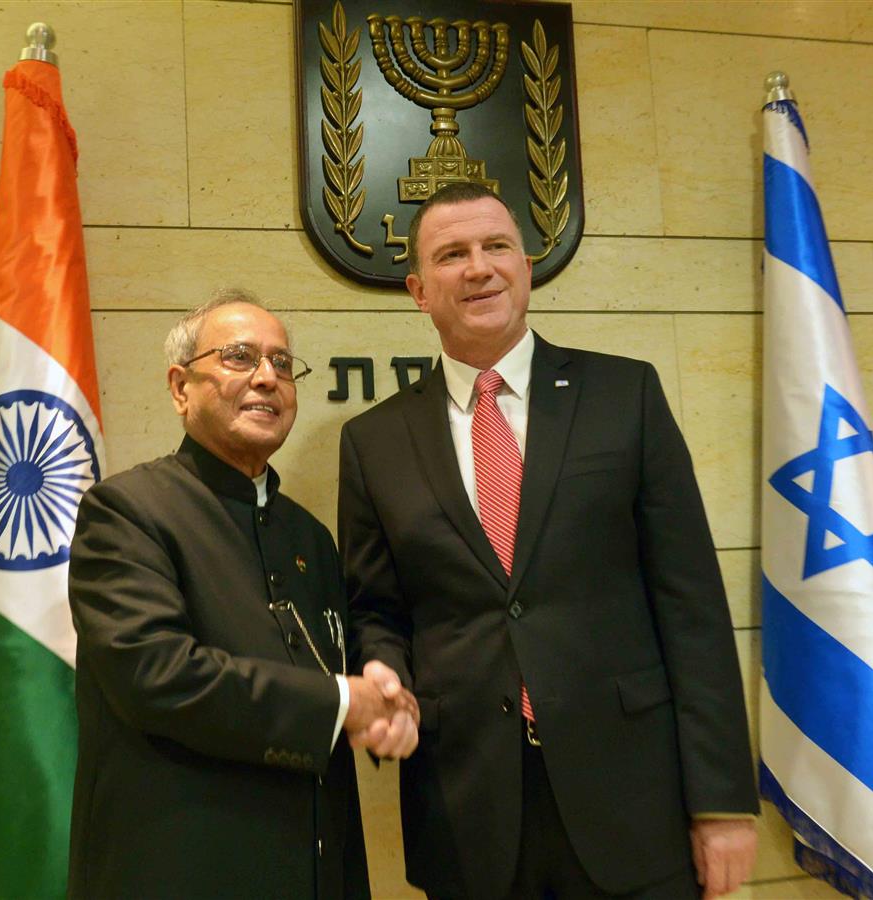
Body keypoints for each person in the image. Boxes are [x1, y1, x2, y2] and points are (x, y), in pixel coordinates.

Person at [338, 183, 759, 900]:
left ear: (527, 268)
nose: (479, 268)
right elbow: (378, 608)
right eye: (452, 255)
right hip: (469, 808)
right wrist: (383, 672)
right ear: (417, 291)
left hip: (633, 801)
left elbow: (691, 604)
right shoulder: (373, 441)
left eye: (496, 246)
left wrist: (721, 801)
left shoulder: (625, 397)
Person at [67, 291, 419, 899]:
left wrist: (388, 700)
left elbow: (342, 664)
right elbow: (158, 675)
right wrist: (340, 704)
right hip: (184, 871)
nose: (267, 378)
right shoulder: (127, 512)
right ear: (181, 387)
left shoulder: (309, 535)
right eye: (239, 357)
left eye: (283, 364)